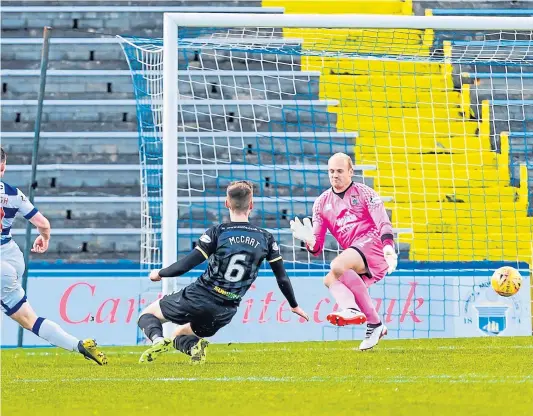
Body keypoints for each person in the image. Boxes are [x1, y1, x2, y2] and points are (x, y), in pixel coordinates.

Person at [138, 180, 309, 364]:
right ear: (251, 205)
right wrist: (294, 305)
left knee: (147, 316)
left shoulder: (218, 232)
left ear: (226, 203)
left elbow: (186, 264)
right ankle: (193, 347)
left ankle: (156, 340)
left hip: (200, 296)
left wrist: (160, 273)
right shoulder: (265, 238)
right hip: (224, 311)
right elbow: (281, 276)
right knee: (179, 335)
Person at [0, 147, 107, 364]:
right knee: (30, 319)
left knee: (27, 319)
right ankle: (78, 345)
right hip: (12, 257)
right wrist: (44, 238)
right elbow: (43, 223)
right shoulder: (12, 193)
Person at [290, 152, 397, 350]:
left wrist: (389, 247)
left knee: (338, 265)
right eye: (331, 171)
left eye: (339, 171)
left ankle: (350, 309)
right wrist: (308, 240)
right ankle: (374, 324)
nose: (335, 175)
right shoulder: (321, 203)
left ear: (350, 171)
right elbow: (316, 248)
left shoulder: (365, 193)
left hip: (374, 246)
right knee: (330, 279)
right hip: (355, 254)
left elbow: (383, 222)